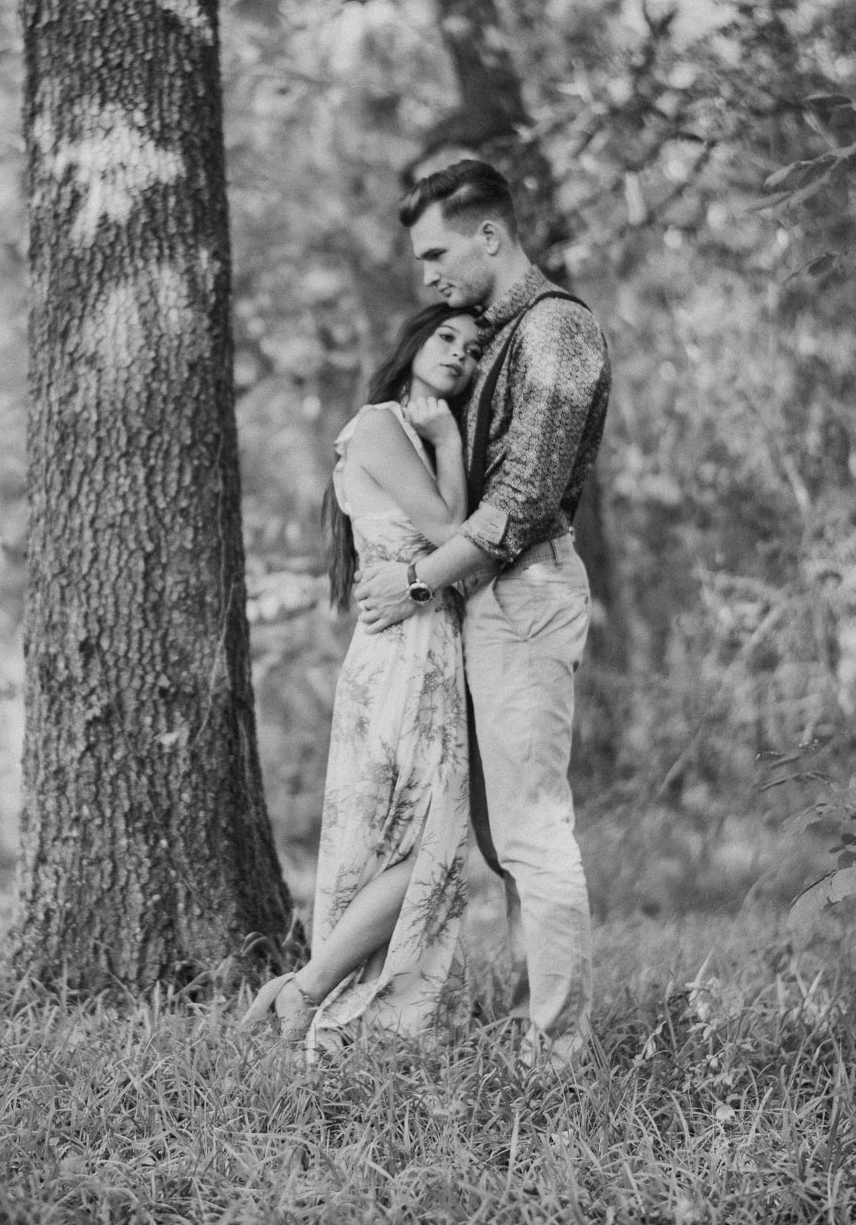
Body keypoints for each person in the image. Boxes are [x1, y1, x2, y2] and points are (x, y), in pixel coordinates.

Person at [354, 159, 612, 1068]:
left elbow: (523, 503)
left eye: (436, 252)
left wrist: (421, 580)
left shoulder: (557, 332)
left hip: (525, 590)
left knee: (535, 831)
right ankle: (534, 1021)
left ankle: (559, 1054)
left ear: (489, 235)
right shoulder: (494, 338)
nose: (428, 276)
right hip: (483, 595)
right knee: (501, 836)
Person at [243, 304, 486, 1050]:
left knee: (413, 844)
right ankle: (309, 990)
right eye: (447, 338)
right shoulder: (382, 424)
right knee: (426, 846)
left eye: (474, 350)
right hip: (403, 655)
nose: (461, 355)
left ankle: (328, 1003)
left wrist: (443, 437)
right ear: (412, 342)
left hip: (427, 651)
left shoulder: (407, 434)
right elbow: (455, 534)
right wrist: (449, 438)